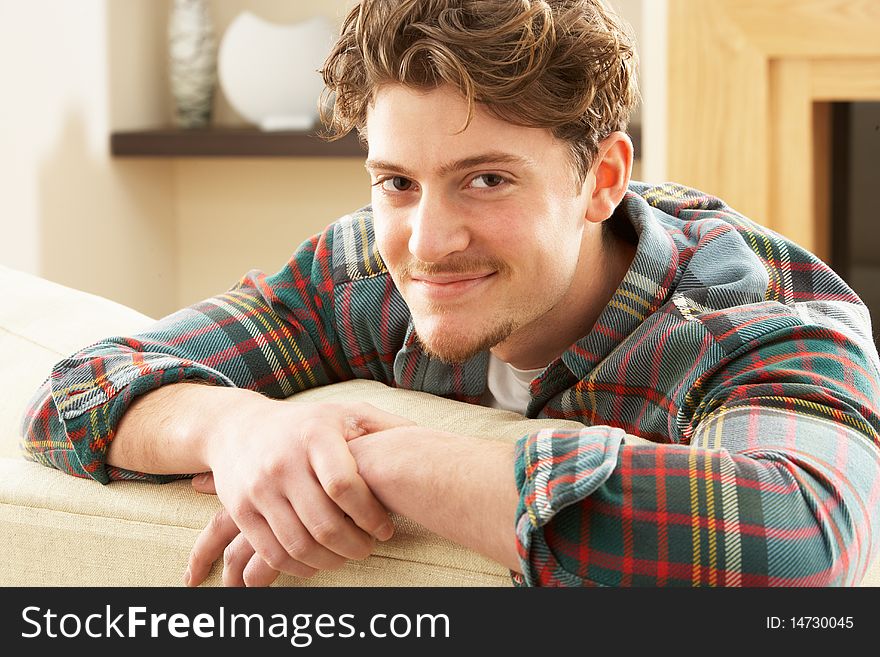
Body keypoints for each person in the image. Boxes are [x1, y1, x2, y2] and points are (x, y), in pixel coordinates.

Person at [21, 0, 880, 587]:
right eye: (396, 181)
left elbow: (794, 542)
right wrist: (239, 427)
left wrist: (392, 461)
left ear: (602, 180)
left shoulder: (762, 320)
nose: (427, 244)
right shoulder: (361, 272)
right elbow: (74, 392)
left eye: (487, 180)